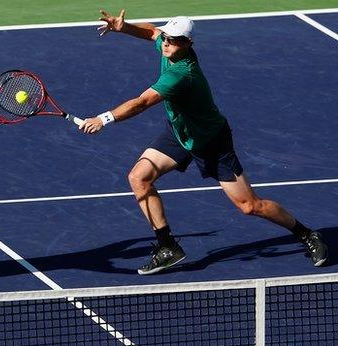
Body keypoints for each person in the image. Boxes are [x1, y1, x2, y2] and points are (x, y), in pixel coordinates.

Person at [79, 10, 328, 274]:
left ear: (187, 44)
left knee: (249, 206)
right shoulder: (169, 46)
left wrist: (104, 118)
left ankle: (306, 234)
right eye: (167, 38)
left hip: (212, 143)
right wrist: (124, 27)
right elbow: (153, 31)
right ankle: (168, 247)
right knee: (138, 177)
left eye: (174, 40)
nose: (166, 43)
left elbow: (141, 103)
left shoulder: (182, 75)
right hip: (179, 133)